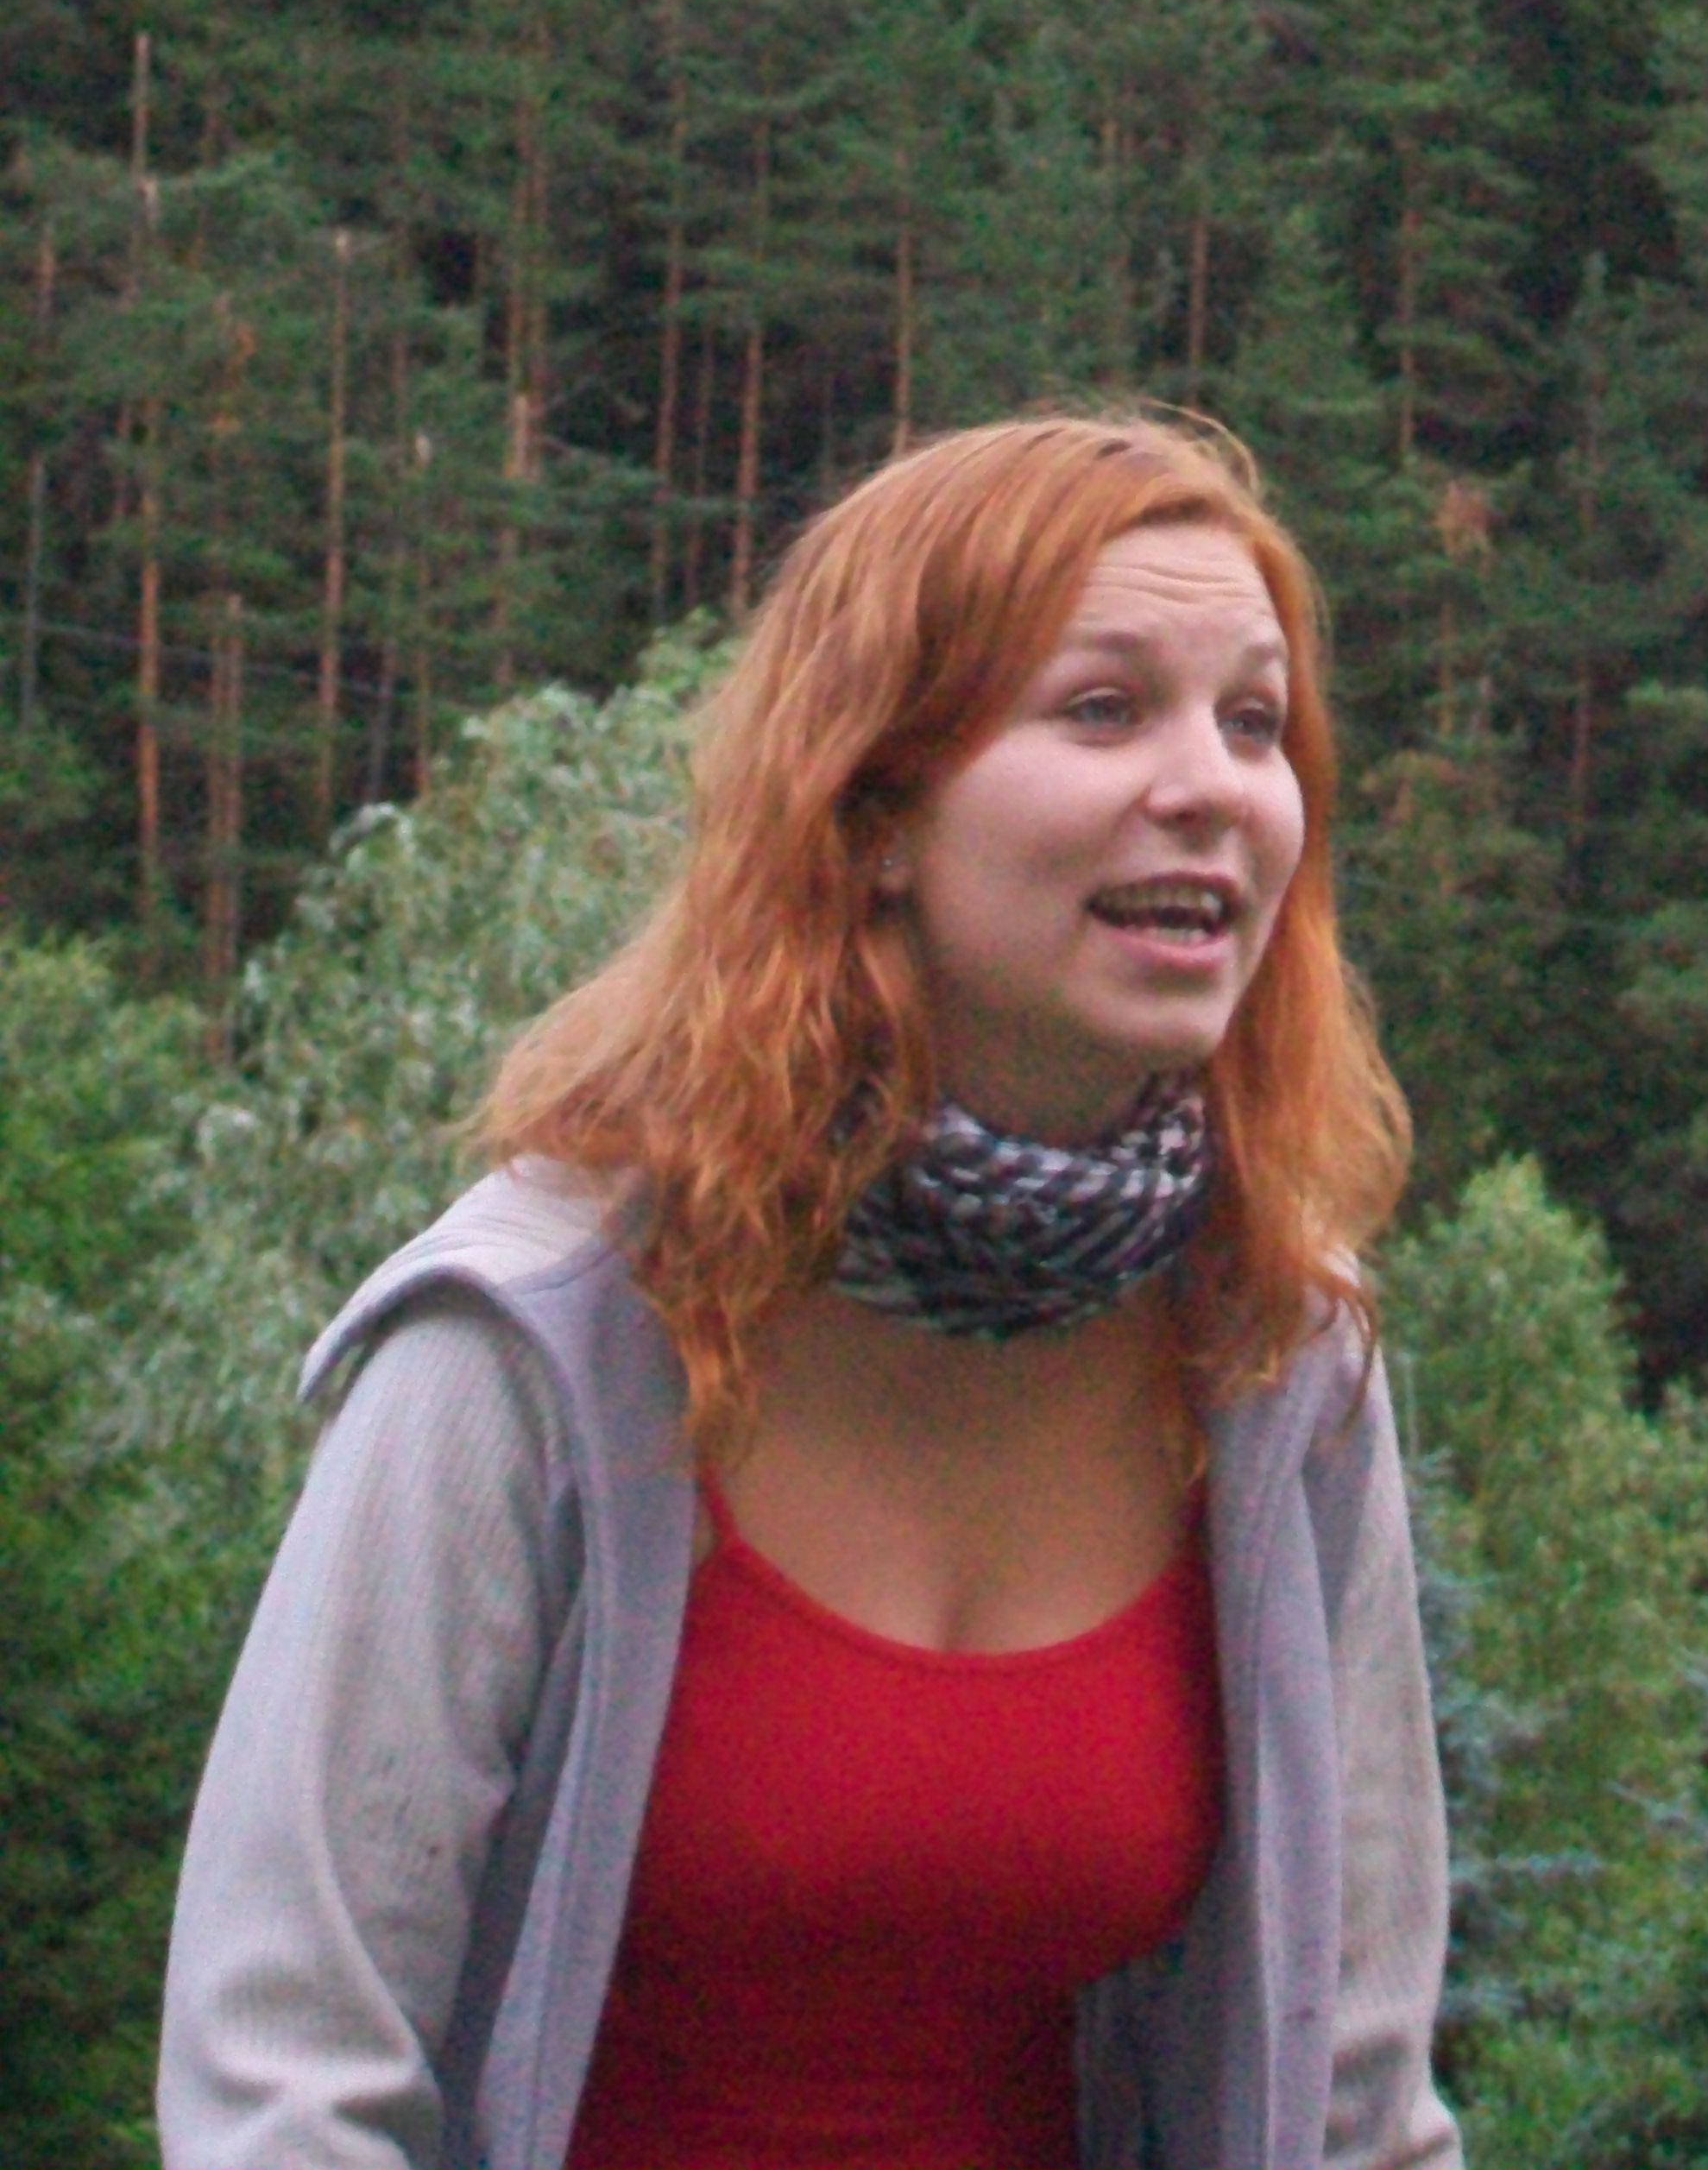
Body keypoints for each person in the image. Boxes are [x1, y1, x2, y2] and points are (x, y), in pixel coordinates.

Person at [159, 413, 1461, 2170]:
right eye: (1102, 709)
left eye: (1252, 722)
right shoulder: (535, 1339)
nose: (1214, 786)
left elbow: (1354, 2103)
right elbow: (284, 2072)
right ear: (877, 811)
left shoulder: (1274, 1360)